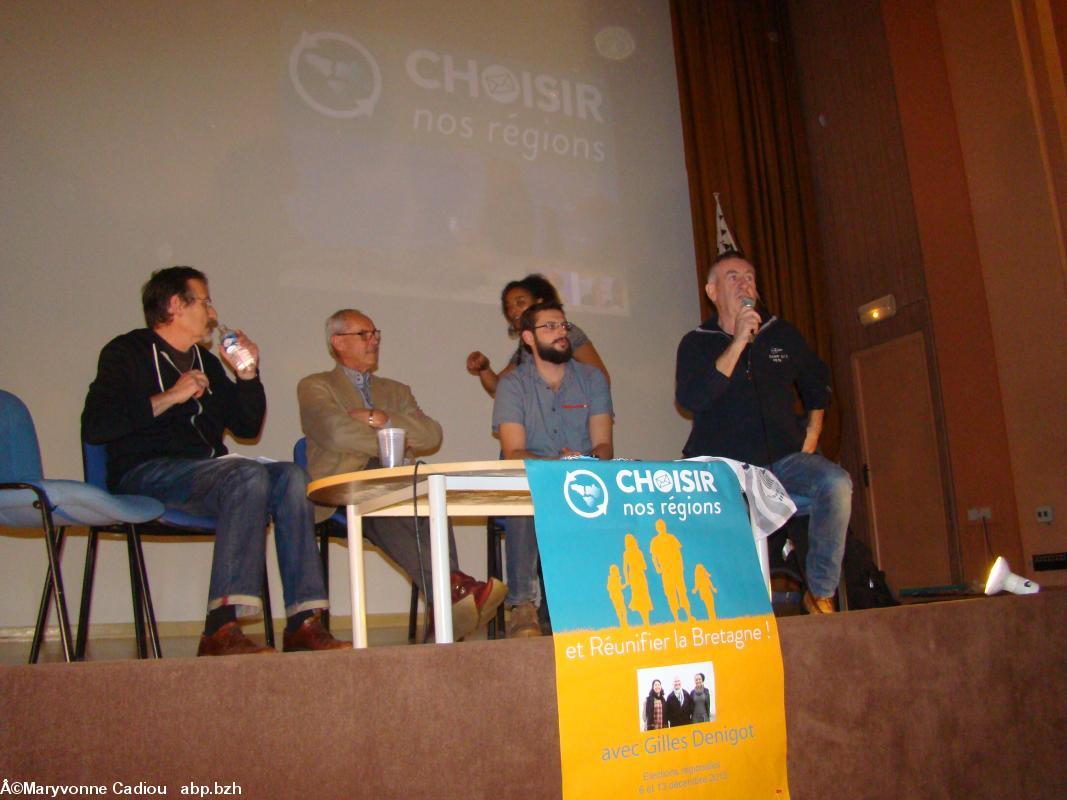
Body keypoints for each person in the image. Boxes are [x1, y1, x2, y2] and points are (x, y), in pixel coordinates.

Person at [82, 266, 348, 656]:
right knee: (245, 474)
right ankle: (220, 628)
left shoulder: (205, 362)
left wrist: (248, 376)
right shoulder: (127, 352)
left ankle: (304, 621)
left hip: (211, 476)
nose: (211, 312)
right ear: (175, 305)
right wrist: (171, 396)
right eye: (204, 301)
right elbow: (96, 425)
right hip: (146, 473)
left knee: (292, 476)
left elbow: (246, 427)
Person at [297, 309, 506, 640]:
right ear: (338, 342)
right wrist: (385, 433)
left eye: (375, 333)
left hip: (390, 489)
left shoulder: (396, 391)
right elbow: (335, 434)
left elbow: (430, 435)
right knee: (388, 490)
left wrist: (379, 417)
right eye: (363, 335)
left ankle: (448, 599)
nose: (374, 341)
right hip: (339, 491)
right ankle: (453, 590)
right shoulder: (315, 386)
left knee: (426, 486)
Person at [675, 250, 851, 614]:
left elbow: (817, 382)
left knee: (835, 484)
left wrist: (813, 431)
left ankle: (819, 592)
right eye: (733, 277)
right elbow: (693, 397)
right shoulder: (697, 342)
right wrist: (738, 340)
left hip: (782, 464)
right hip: (723, 472)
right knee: (728, 550)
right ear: (712, 291)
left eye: (750, 277)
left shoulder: (780, 333)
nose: (745, 283)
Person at [492, 301, 614, 636]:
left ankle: (592, 600)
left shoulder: (592, 379)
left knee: (615, 485)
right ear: (528, 337)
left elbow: (604, 447)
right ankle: (523, 606)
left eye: (564, 325)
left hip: (582, 475)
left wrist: (583, 463)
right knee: (528, 493)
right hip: (532, 478)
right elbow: (513, 452)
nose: (562, 332)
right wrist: (556, 466)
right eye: (551, 327)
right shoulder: (513, 384)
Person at [466, 274, 609, 397]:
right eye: (508, 307)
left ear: (540, 303)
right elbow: (498, 388)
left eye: (520, 303)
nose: (513, 311)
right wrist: (484, 368)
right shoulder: (525, 347)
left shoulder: (567, 333)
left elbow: (601, 379)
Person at [649, 519, 691, 622]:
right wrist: (658, 568)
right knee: (670, 593)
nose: (661, 528)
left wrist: (681, 566)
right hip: (666, 571)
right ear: (657, 528)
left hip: (676, 569)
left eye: (662, 526)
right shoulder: (655, 541)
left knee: (682, 592)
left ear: (665, 526)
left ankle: (689, 616)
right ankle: (676, 618)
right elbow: (654, 557)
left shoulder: (672, 538)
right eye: (659, 526)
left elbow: (678, 553)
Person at [622, 533, 653, 627]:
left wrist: (627, 579)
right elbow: (644, 566)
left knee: (640, 597)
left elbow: (625, 567)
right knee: (642, 597)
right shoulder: (637, 552)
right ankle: (646, 621)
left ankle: (645, 621)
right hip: (639, 575)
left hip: (635, 576)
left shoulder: (628, 553)